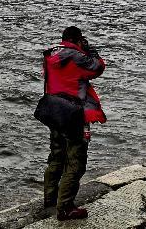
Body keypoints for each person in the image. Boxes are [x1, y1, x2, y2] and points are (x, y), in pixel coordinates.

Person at [42, 26, 107, 221]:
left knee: (56, 157)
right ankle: (66, 207)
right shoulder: (77, 57)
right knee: (76, 162)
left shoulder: (51, 54)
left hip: (54, 112)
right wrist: (90, 49)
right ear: (78, 40)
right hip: (74, 114)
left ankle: (50, 200)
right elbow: (98, 67)